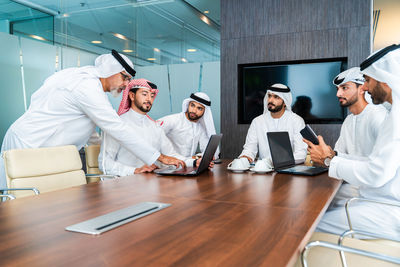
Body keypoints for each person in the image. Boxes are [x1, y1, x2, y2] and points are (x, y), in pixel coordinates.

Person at [0, 50, 184, 189]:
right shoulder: (86, 86)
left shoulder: (91, 86)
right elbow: (116, 128)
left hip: (46, 148)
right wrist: (159, 157)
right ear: (110, 70)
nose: (126, 84)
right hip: (28, 143)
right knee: (17, 203)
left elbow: (88, 130)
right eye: (125, 77)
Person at [304, 44, 400, 239]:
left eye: (368, 80)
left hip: (386, 210)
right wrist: (332, 156)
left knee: (306, 224)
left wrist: (330, 160)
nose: (365, 87)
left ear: (385, 80)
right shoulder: (389, 116)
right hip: (372, 197)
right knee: (312, 206)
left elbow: (376, 174)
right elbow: (371, 161)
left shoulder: (388, 118)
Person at [99, 79, 198, 176]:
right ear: (132, 96)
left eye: (152, 96)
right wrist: (134, 170)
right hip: (124, 184)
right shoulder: (117, 124)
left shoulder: (155, 126)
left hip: (151, 183)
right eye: (144, 94)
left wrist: (195, 162)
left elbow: (171, 156)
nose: (149, 99)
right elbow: (104, 163)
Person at [238, 83, 307, 163]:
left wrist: (278, 162)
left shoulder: (296, 121)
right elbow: (249, 149)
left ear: (285, 102)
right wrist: (245, 157)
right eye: (269, 96)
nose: (270, 100)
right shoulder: (257, 121)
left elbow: (301, 154)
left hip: (289, 169)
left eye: (276, 97)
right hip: (263, 171)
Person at [158, 92, 219, 159]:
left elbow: (210, 152)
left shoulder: (200, 127)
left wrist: (197, 158)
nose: (194, 111)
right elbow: (151, 135)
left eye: (199, 108)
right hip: (166, 165)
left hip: (188, 166)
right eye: (192, 105)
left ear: (205, 112)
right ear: (188, 105)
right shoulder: (173, 120)